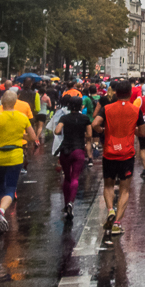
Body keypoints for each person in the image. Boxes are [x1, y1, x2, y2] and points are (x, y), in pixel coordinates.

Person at [0, 89, 39, 233]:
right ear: (15, 102)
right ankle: (1, 211)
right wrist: (21, 136)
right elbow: (32, 137)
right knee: (11, 188)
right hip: (15, 155)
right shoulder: (22, 118)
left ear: (2, 102)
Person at [91, 79, 143, 236]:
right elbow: (143, 133)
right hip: (126, 154)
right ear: (129, 93)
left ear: (116, 92)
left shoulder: (107, 108)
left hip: (110, 152)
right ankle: (118, 223)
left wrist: (102, 131)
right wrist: (131, 130)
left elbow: (94, 124)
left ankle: (110, 209)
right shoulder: (135, 110)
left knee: (108, 185)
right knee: (124, 189)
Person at [54, 94, 92, 222]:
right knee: (75, 177)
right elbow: (89, 134)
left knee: (67, 177)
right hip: (78, 149)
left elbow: (57, 131)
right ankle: (71, 202)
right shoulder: (85, 118)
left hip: (65, 149)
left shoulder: (64, 118)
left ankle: (66, 204)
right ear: (81, 106)